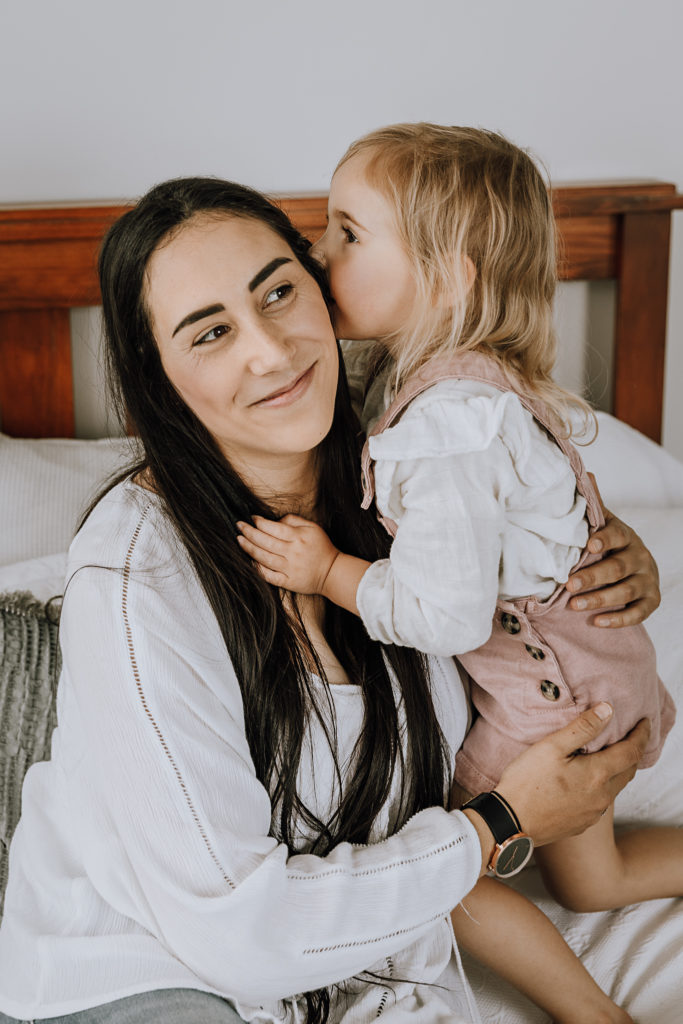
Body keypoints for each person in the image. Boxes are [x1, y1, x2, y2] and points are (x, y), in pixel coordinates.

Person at [0, 176, 653, 1024]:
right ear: (158, 380)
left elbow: (541, 535)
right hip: (140, 981)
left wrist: (608, 556)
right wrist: (497, 822)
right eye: (210, 333)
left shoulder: (419, 476)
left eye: (278, 290)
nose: (269, 350)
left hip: (356, 985)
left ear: (326, 290)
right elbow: (237, 929)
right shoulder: (136, 580)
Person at [236, 125, 681, 1023]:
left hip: (554, 703)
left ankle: (598, 1016)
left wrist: (328, 571)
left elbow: (442, 614)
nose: (315, 256)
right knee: (594, 885)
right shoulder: (472, 387)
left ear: (445, 277)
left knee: (439, 872)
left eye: (348, 234)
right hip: (600, 677)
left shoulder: (442, 429)